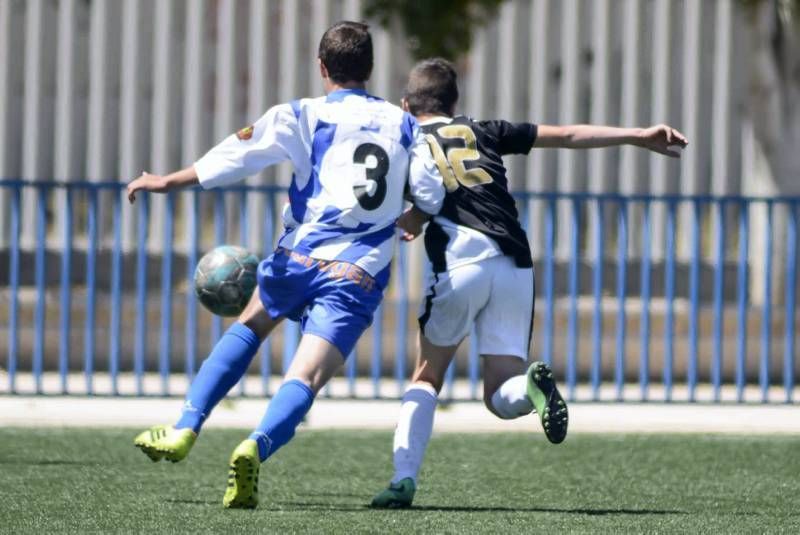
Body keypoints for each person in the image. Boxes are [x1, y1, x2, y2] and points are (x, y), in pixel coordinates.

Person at [128, 22, 444, 510]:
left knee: (250, 325)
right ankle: (256, 445)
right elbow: (430, 191)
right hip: (356, 272)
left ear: (322, 68)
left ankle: (185, 427)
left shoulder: (302, 114)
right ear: (371, 69)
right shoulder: (404, 124)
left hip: (296, 258)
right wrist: (415, 216)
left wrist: (168, 180)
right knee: (306, 377)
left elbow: (237, 155)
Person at [371, 58, 689, 508]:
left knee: (426, 377)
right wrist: (638, 135)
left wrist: (412, 217)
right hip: (514, 263)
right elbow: (567, 134)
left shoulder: (404, 141)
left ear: (406, 105)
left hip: (461, 260)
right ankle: (530, 388)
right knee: (500, 394)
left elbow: (404, 197)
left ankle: (403, 479)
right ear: (455, 103)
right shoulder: (484, 130)